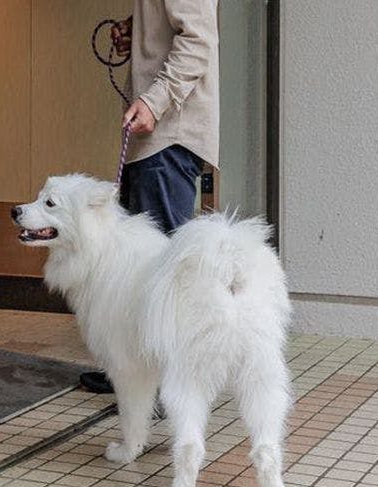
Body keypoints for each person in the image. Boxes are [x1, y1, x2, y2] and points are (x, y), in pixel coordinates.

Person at [81, 0, 220, 394]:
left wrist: (154, 101)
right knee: (141, 268)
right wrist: (137, 30)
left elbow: (198, 39)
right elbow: (175, 27)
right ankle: (134, 372)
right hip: (158, 140)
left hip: (169, 137)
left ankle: (163, 387)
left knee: (163, 272)